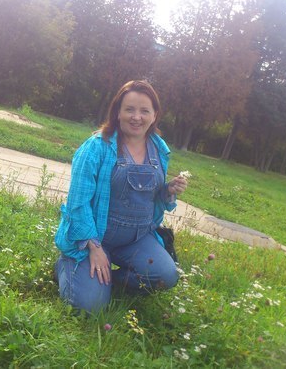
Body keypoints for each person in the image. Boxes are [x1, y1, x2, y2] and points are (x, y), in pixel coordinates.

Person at [54, 80, 188, 313]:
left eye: (144, 110)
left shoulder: (159, 148)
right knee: (89, 307)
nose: (136, 117)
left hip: (136, 239)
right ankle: (67, 267)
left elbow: (150, 195)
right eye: (129, 109)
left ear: (154, 115)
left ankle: (108, 282)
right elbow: (78, 203)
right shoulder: (96, 147)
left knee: (166, 276)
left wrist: (168, 190)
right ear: (117, 112)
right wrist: (94, 248)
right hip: (95, 237)